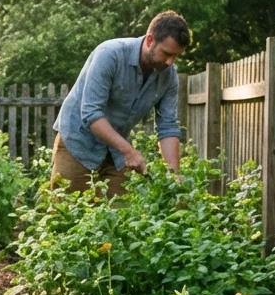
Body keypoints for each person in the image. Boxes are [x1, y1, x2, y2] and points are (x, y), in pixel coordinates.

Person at [51, 12, 188, 196]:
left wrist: (173, 175)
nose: (170, 62)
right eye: (167, 53)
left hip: (115, 152)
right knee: (67, 213)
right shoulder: (110, 55)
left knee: (121, 216)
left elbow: (168, 126)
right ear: (149, 40)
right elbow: (91, 113)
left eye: (176, 56)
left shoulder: (169, 76)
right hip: (77, 142)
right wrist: (129, 151)